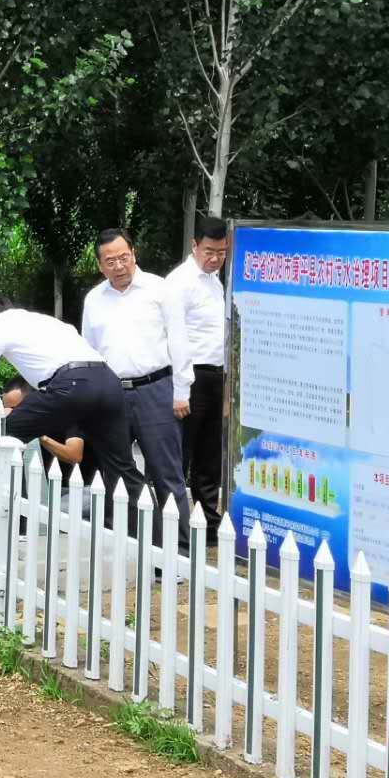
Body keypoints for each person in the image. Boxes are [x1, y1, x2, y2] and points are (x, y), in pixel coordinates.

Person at [0, 298, 133, 507]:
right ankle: (146, 528)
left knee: (5, 432)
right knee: (122, 468)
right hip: (108, 380)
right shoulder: (46, 322)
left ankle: (17, 512)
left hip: (72, 383)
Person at [82, 228, 193, 532]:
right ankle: (133, 542)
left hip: (156, 391)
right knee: (116, 475)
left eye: (124, 257)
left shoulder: (160, 290)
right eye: (110, 261)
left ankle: (181, 547)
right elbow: (88, 351)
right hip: (111, 395)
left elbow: (180, 342)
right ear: (100, 265)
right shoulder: (93, 300)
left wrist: (182, 391)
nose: (119, 266)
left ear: (133, 254)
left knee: (167, 473)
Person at [166, 216, 228, 541]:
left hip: (216, 376)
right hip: (191, 378)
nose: (215, 258)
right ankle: (175, 528)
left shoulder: (216, 282)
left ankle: (209, 524)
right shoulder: (179, 282)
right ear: (194, 246)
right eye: (209, 251)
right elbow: (174, 338)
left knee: (209, 454)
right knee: (182, 453)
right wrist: (181, 389)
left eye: (221, 252)